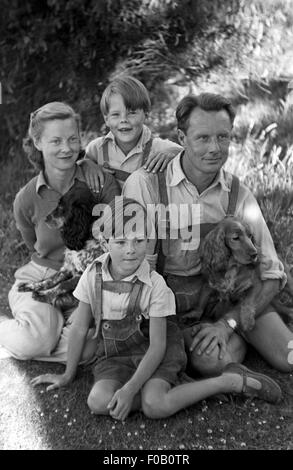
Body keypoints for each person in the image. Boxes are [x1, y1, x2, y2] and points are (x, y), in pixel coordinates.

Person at [31, 197, 282, 421]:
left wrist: (129, 390)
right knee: (97, 401)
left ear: (149, 241)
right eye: (121, 241)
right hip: (116, 355)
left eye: (138, 240)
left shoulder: (155, 286)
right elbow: (78, 329)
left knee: (154, 406)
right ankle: (179, 391)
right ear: (105, 242)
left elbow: (157, 346)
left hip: (158, 349)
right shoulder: (92, 275)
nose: (130, 249)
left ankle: (229, 382)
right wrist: (67, 374)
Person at [123, 92, 293, 375]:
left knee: (288, 359)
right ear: (181, 138)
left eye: (223, 137)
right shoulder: (145, 185)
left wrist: (229, 322)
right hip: (174, 300)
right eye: (202, 138)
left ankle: (237, 329)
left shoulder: (238, 194)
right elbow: (128, 264)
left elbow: (273, 272)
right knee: (209, 363)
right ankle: (235, 341)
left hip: (234, 297)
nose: (215, 148)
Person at [0, 102, 120, 361]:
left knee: (89, 348)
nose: (66, 148)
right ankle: (23, 330)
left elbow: (118, 236)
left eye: (72, 139)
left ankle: (45, 332)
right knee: (38, 341)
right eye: (55, 141)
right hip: (44, 275)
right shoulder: (26, 198)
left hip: (92, 278)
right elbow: (34, 248)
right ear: (38, 142)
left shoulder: (100, 182)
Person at [80, 75, 182, 191]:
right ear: (106, 119)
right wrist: (86, 164)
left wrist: (174, 152)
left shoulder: (159, 148)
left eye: (132, 113)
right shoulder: (96, 148)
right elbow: (75, 170)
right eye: (115, 114)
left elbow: (190, 154)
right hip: (106, 208)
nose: (124, 120)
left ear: (146, 115)